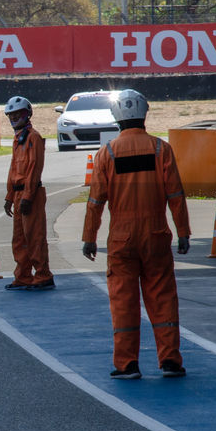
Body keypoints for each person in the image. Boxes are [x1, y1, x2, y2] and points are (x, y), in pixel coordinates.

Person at [82, 89, 191, 379]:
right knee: (163, 296)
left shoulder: (108, 152)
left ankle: (127, 364)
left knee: (123, 301)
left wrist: (89, 237)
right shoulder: (160, 149)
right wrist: (183, 232)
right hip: (156, 234)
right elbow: (176, 195)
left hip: (121, 239)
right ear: (144, 114)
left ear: (116, 117)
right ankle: (170, 361)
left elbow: (95, 201)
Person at [2, 96, 53, 290]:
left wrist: (28, 196)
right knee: (19, 239)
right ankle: (23, 276)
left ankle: (43, 275)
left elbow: (35, 168)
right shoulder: (18, 139)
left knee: (35, 237)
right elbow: (13, 169)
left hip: (30, 194)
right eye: (11, 115)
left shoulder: (33, 137)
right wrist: (9, 197)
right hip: (17, 195)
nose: (14, 118)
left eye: (18, 114)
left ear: (27, 114)